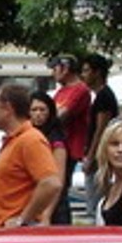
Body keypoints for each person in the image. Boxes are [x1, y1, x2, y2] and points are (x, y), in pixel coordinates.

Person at [0, 84, 61, 228]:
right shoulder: (15, 140)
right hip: (0, 232)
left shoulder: (30, 140)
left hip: (13, 236)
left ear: (8, 109)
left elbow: (51, 183)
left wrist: (22, 219)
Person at [26, 88, 72, 224]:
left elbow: (58, 181)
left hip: (54, 208)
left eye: (42, 110)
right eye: (34, 110)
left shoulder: (56, 140)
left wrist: (47, 214)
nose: (38, 114)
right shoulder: (28, 136)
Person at [79, 54, 119, 170]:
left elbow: (101, 128)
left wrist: (91, 156)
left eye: (86, 71)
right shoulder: (99, 95)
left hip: (99, 157)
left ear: (97, 73)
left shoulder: (104, 96)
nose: (83, 75)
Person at [50, 55, 93, 165]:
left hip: (71, 149)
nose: (52, 73)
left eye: (55, 69)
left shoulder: (80, 90)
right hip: (59, 146)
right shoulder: (61, 91)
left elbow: (60, 116)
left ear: (65, 69)